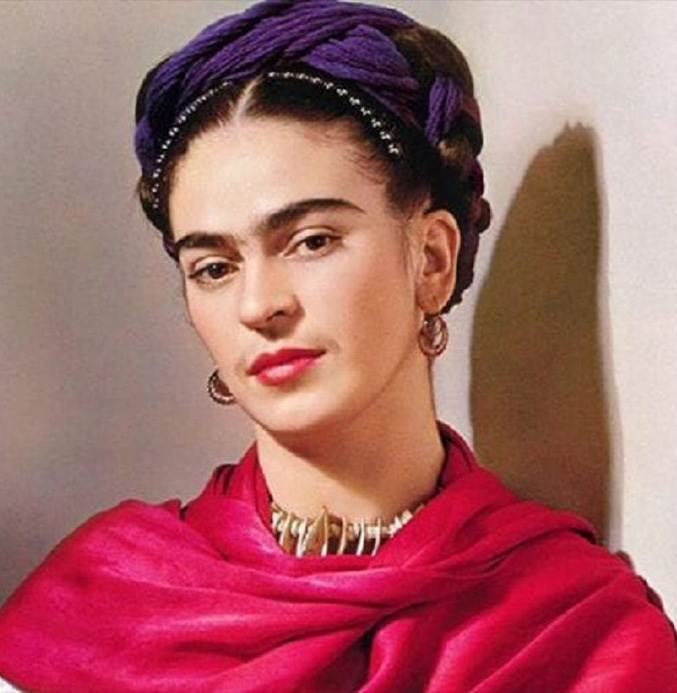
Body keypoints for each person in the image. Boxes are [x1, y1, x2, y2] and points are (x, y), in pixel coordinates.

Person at [0, 0, 675, 691]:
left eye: (311, 241)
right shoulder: (103, 601)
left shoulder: (576, 630)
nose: (259, 305)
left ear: (432, 259)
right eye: (214, 267)